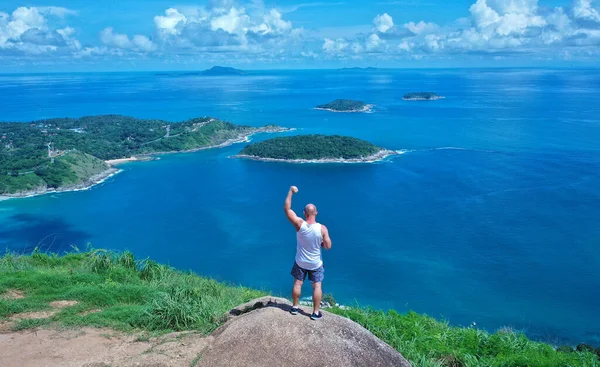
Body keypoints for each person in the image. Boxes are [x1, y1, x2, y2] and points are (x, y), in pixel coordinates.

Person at [284, 185, 332, 320]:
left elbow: (287, 209)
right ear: (316, 213)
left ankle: (294, 307)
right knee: (317, 286)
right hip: (315, 263)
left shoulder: (300, 224)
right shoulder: (322, 229)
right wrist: (321, 242)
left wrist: (290, 192)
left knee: (298, 283)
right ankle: (315, 313)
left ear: (305, 213)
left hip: (300, 261)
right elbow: (328, 246)